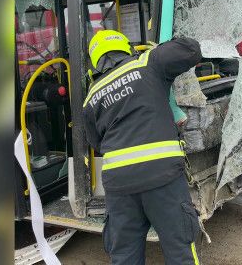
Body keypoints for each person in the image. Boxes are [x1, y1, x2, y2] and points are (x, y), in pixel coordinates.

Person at [82, 30, 202, 265]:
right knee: (180, 251)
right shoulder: (148, 62)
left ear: (95, 59)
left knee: (124, 256)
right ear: (126, 47)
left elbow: (96, 143)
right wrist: (155, 48)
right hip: (162, 178)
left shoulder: (91, 98)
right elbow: (191, 49)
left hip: (119, 186)